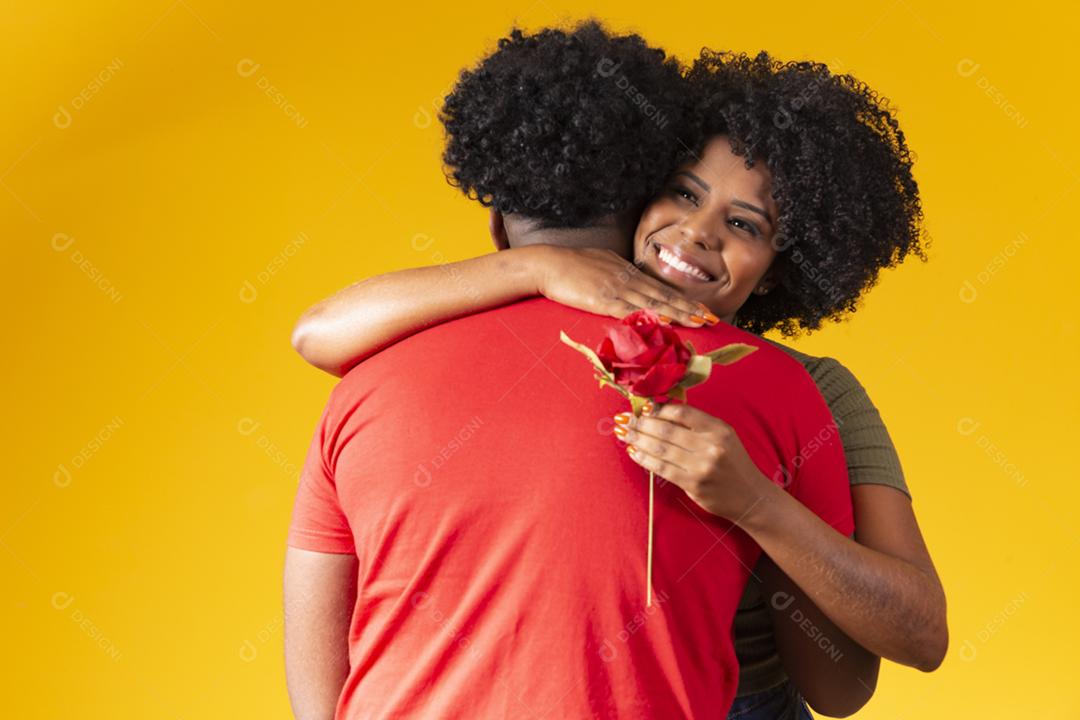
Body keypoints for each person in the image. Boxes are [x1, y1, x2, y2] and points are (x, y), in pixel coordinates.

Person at [290, 26, 948, 719]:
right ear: (634, 198)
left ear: (786, 266)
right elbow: (317, 332)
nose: (697, 233)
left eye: (746, 225)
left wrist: (756, 503)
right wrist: (537, 267)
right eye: (683, 194)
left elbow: (860, 674)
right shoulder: (462, 334)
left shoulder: (808, 393)